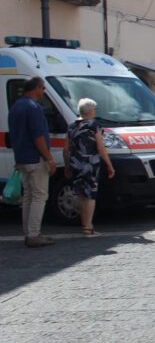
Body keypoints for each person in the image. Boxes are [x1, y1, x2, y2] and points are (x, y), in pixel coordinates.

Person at [7, 77, 57, 247]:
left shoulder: (16, 106)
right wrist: (49, 158)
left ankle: (28, 232)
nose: (43, 91)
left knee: (28, 196)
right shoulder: (34, 108)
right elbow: (38, 136)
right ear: (36, 88)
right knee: (39, 196)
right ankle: (34, 234)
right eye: (42, 88)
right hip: (35, 158)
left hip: (21, 157)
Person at [65, 98, 115, 236]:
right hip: (90, 164)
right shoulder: (94, 125)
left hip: (75, 163)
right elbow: (101, 148)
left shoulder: (71, 126)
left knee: (81, 194)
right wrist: (110, 165)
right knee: (91, 194)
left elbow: (66, 148)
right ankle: (88, 226)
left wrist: (67, 165)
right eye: (95, 109)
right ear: (91, 111)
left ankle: (84, 224)